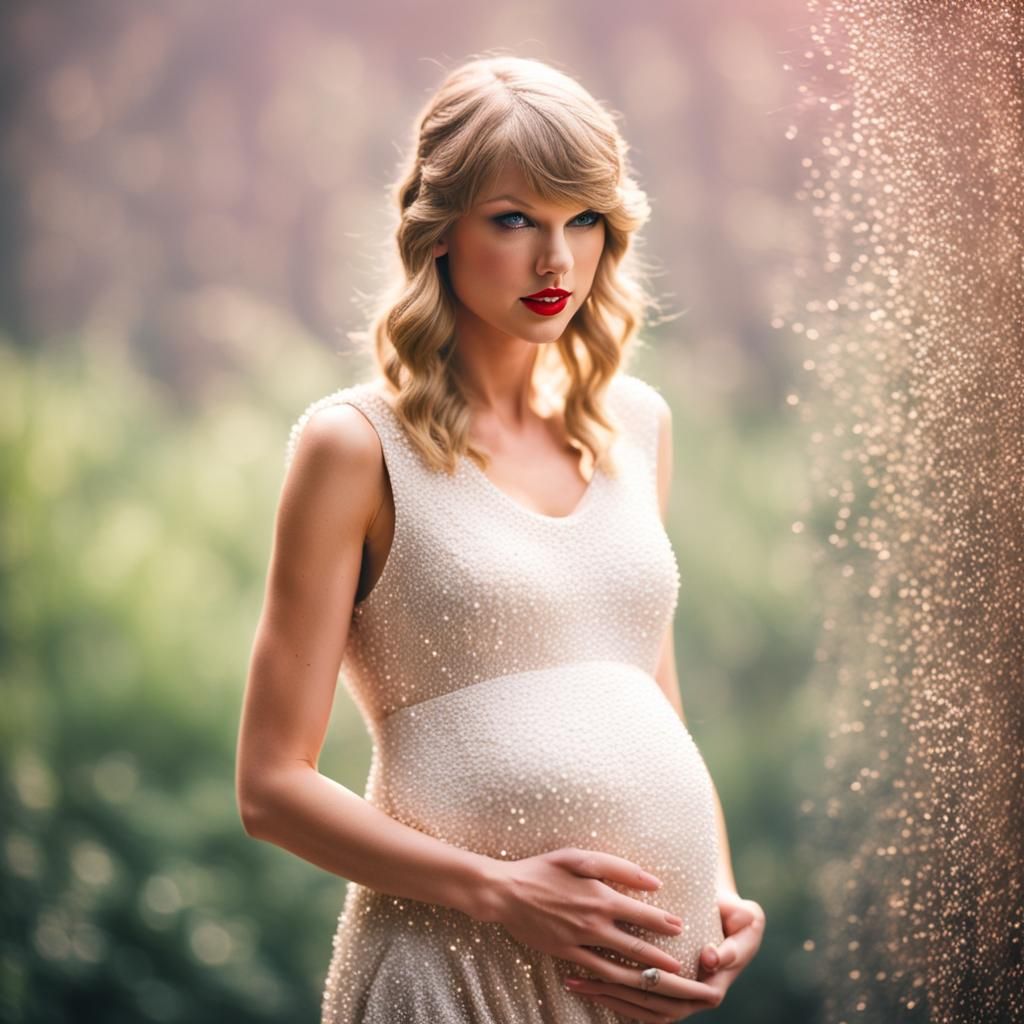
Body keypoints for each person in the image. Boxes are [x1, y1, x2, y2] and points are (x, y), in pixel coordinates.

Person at [235, 54, 765, 1024]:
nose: (555, 260)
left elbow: (651, 704)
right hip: (450, 975)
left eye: (583, 220)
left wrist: (718, 896)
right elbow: (270, 787)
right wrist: (500, 887)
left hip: (632, 990)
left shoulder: (639, 425)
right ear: (439, 233)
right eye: (515, 219)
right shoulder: (354, 446)